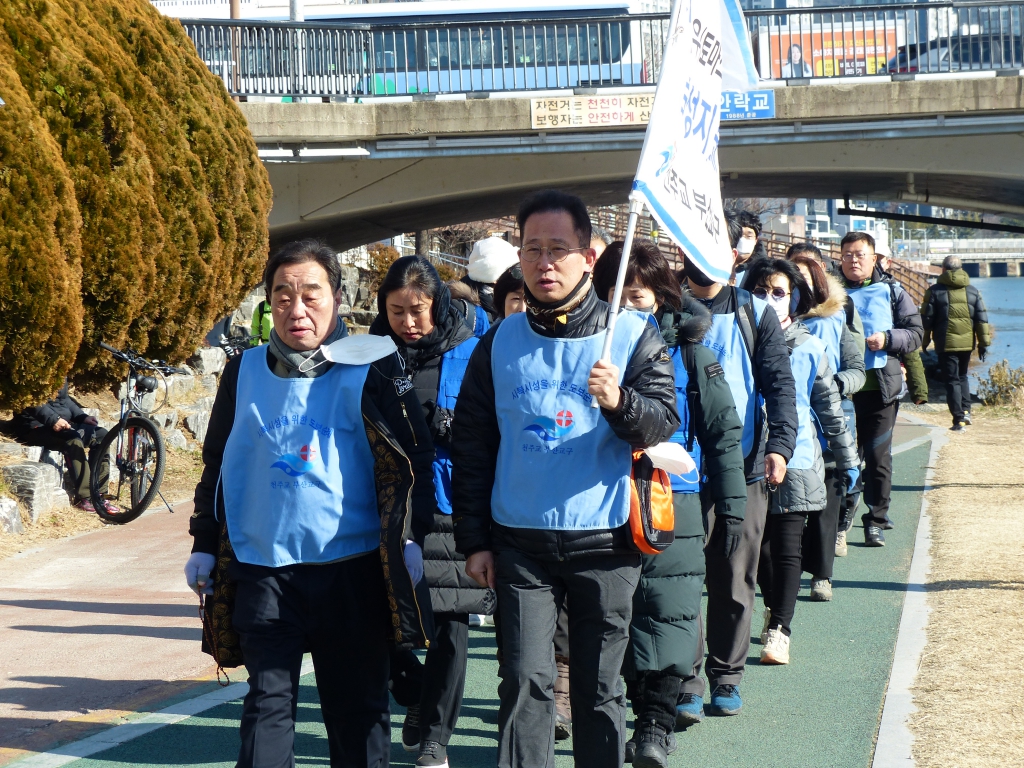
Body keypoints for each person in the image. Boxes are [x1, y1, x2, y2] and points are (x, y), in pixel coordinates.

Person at [185, 239, 437, 768]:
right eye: (282, 297)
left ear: (338, 298)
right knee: (266, 708)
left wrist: (412, 534)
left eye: (310, 295)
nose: (296, 310)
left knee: (357, 713)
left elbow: (414, 455)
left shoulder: (374, 364)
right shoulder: (242, 371)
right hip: (264, 568)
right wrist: (204, 542)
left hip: (351, 569)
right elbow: (219, 463)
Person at [451, 189, 679, 768]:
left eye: (558, 249)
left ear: (589, 256)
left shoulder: (632, 334)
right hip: (519, 543)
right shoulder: (498, 341)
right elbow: (472, 446)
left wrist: (620, 402)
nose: (544, 263)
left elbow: (662, 421)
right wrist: (474, 540)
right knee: (524, 684)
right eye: (532, 249)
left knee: (598, 691)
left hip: (607, 541)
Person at [593, 240, 746, 767]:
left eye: (637, 296)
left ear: (660, 296)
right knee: (613, 616)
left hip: (669, 500)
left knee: (669, 612)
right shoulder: (587, 351)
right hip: (598, 500)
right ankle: (625, 715)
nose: (626, 307)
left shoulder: (694, 357)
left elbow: (724, 434)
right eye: (615, 295)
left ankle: (655, 726)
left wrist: (732, 506)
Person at [370, 256, 496, 768]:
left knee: (450, 623)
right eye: (396, 311)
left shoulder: (473, 346)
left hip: (450, 500)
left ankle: (436, 737)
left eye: (417, 310)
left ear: (438, 303)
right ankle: (416, 694)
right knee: (379, 619)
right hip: (386, 502)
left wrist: (456, 425)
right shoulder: (371, 353)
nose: (408, 322)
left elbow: (493, 425)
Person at [677, 213, 797, 717]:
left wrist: (780, 447)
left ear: (732, 255)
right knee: (679, 580)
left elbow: (779, 384)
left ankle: (726, 675)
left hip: (742, 466)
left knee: (734, 576)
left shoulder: (754, 312)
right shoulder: (662, 307)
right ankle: (683, 682)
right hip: (674, 470)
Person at [741, 259, 858, 665]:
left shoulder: (810, 347)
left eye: (778, 292)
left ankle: (780, 629)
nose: (769, 300)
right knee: (758, 549)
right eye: (760, 291)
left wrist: (847, 458)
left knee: (787, 546)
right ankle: (773, 606)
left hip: (799, 455)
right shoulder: (736, 340)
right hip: (746, 456)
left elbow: (829, 407)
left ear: (793, 299)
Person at [788, 253, 865, 597]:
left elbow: (858, 369)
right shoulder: (769, 322)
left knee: (827, 501)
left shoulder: (837, 316)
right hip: (788, 423)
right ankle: (787, 572)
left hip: (832, 419)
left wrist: (835, 383)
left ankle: (822, 574)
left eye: (807, 278)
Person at [839, 232, 923, 547]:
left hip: (880, 388)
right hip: (840, 390)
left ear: (874, 258)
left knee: (877, 457)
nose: (853, 260)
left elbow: (915, 333)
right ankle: (841, 516)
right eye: (847, 254)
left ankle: (875, 520)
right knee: (844, 456)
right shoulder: (828, 292)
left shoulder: (892, 291)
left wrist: (888, 339)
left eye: (860, 254)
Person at [10, 380, 111, 512]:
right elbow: (29, 400)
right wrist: (54, 420)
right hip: (35, 426)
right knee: (73, 440)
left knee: (102, 436)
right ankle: (85, 497)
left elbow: (64, 400)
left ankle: (100, 493)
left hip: (62, 423)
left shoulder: (60, 371)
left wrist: (82, 417)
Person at [921, 255, 992, 431]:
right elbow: (981, 320)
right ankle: (966, 411)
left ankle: (958, 419)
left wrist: (924, 340)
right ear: (961, 269)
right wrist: (983, 343)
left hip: (945, 343)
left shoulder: (934, 291)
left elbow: (927, 320)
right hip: (967, 343)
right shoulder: (973, 291)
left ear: (943, 269)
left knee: (951, 380)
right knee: (962, 376)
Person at [876, 241, 929, 405]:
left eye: (879, 259)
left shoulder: (895, 292)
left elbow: (910, 346)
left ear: (888, 263)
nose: (875, 263)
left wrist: (919, 390)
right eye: (872, 257)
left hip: (890, 371)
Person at [462, 236, 520, 335]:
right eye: (511, 270)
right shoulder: (475, 311)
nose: (515, 276)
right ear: (495, 278)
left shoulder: (473, 297)